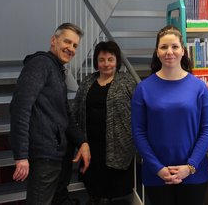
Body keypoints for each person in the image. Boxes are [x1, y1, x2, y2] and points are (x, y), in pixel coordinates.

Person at [131, 25, 208, 205]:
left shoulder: (199, 87)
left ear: (183, 50)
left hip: (193, 174)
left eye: (175, 46)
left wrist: (190, 166)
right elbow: (138, 133)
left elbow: (206, 130)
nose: (170, 52)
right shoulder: (143, 89)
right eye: (164, 47)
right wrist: (158, 168)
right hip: (157, 175)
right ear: (157, 52)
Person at [10, 23, 91, 205]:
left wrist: (82, 142)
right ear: (53, 40)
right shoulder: (40, 64)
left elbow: (65, 116)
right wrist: (21, 155)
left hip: (55, 154)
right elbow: (20, 108)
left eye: (75, 46)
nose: (70, 48)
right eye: (67, 42)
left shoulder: (56, 70)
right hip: (43, 154)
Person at [68, 41, 137, 204]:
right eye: (102, 59)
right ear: (96, 62)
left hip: (119, 146)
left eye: (110, 59)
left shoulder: (127, 82)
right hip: (91, 144)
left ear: (117, 61)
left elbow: (139, 111)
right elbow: (76, 109)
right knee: (93, 187)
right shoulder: (87, 81)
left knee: (114, 191)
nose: (106, 64)